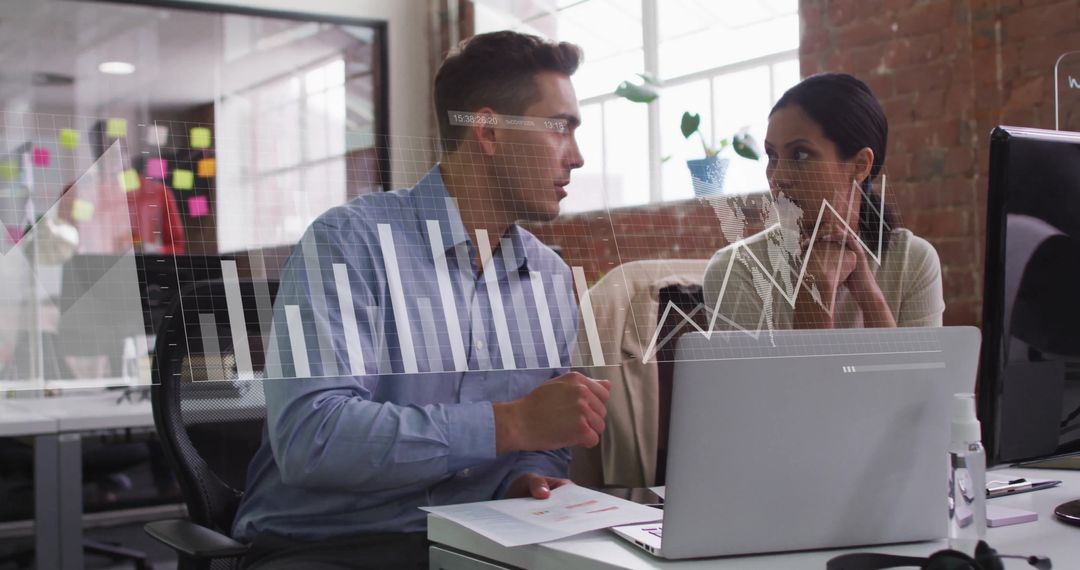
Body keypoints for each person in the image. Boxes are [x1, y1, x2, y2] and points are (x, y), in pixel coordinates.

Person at [232, 31, 611, 569]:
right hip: (331, 546)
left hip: (477, 543)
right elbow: (311, 439)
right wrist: (509, 424)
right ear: (489, 131)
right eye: (560, 130)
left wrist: (527, 473)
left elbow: (539, 439)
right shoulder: (349, 243)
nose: (575, 157)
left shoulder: (548, 277)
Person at [702, 73, 944, 332]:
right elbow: (799, 375)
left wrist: (869, 295)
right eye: (772, 156)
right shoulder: (736, 270)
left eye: (801, 154)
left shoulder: (913, 260)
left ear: (861, 165)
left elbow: (914, 374)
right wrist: (815, 294)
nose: (778, 177)